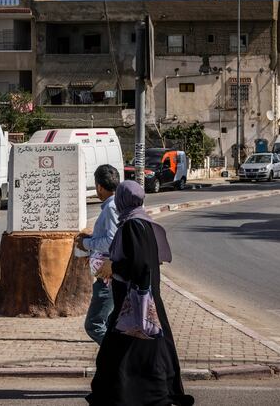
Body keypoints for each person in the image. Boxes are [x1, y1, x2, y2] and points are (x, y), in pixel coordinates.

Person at [87, 180, 194, 406]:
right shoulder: (143, 221)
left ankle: (131, 396)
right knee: (151, 350)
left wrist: (112, 267)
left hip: (134, 302)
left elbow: (140, 265)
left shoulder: (132, 225)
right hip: (144, 299)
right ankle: (147, 394)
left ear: (122, 200)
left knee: (113, 354)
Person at [75, 164, 119, 344]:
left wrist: (86, 243)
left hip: (108, 279)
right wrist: (93, 237)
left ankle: (119, 358)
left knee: (94, 324)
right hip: (107, 277)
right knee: (108, 324)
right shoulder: (113, 206)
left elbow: (111, 241)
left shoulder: (110, 208)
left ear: (99, 186)